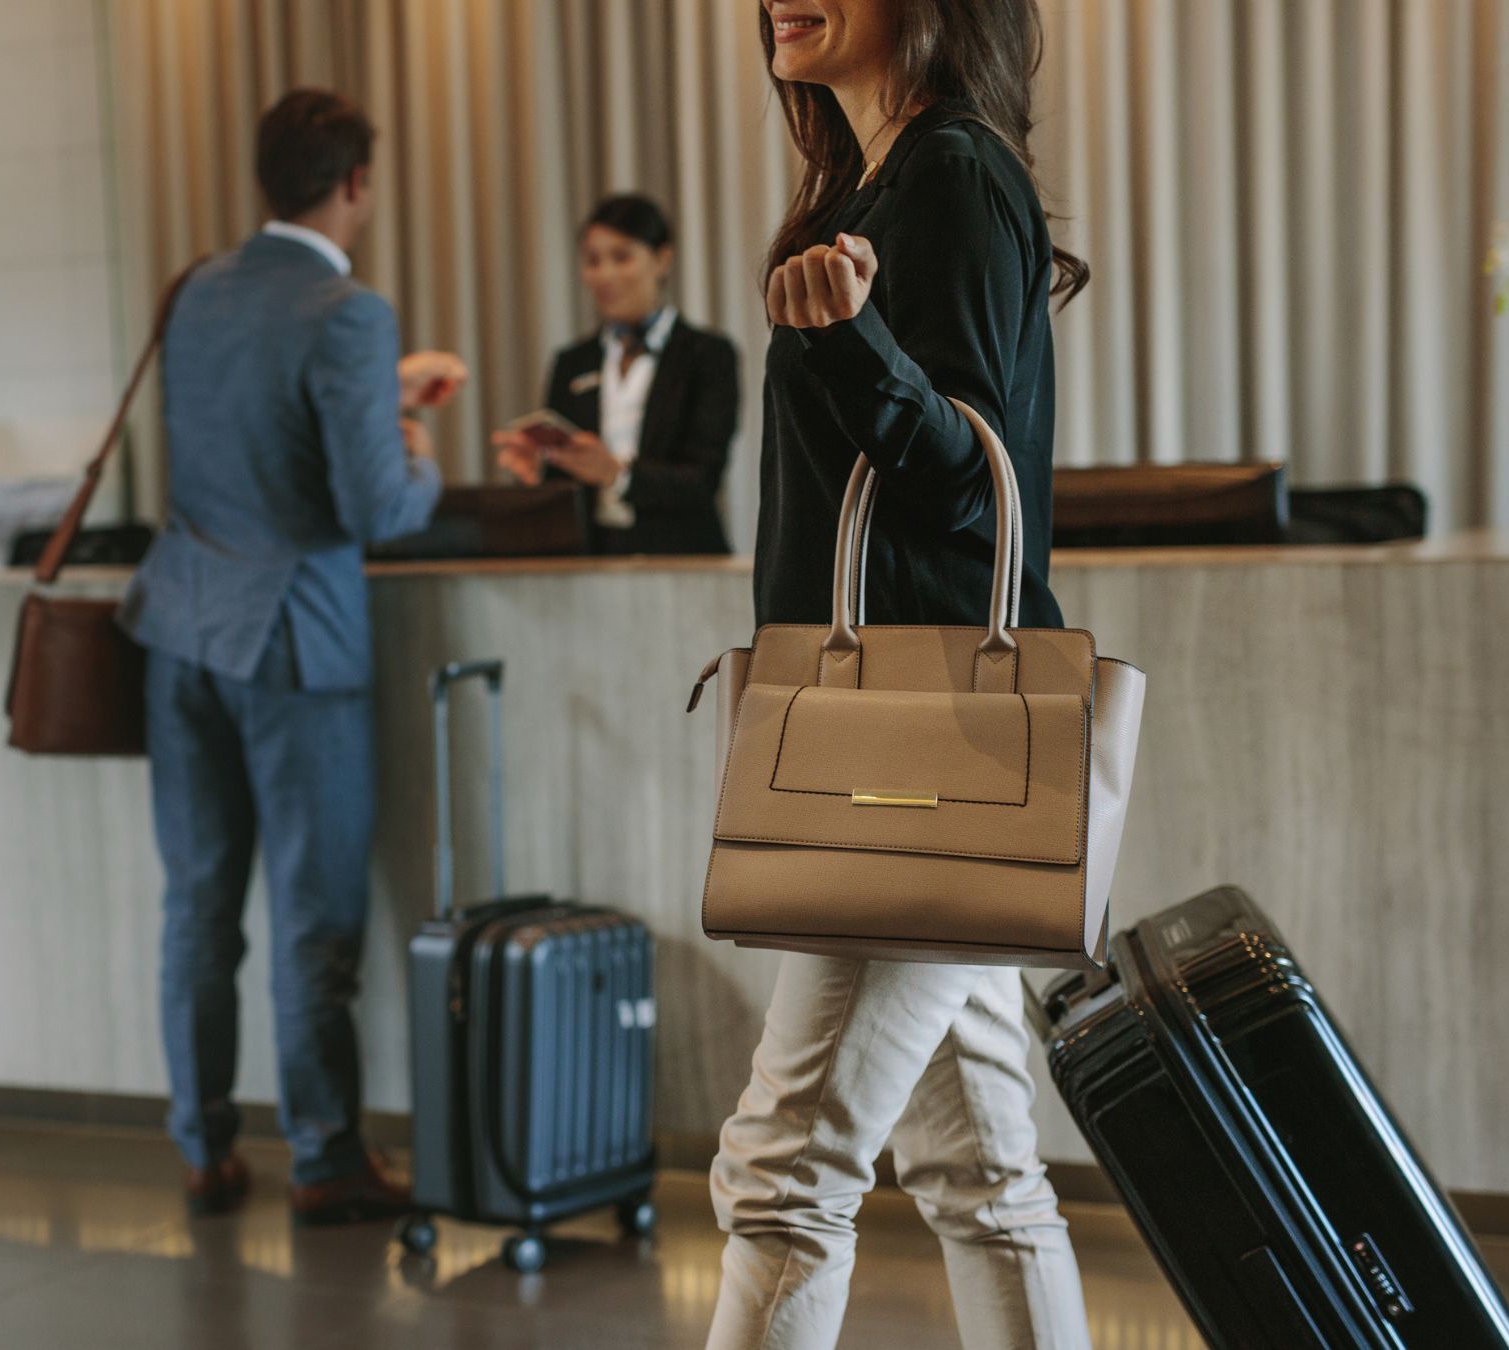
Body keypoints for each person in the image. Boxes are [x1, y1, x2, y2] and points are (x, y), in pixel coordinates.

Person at [707, 3, 1094, 1348]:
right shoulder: (878, 180)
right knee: (981, 1177)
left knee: (781, 1175)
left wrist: (848, 342)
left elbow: (973, 491)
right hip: (906, 756)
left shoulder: (955, 171)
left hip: (914, 770)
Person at [117, 88, 466, 1227]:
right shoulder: (346, 310)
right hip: (292, 647)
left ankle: (202, 1149)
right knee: (315, 918)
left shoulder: (197, 290)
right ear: (355, 183)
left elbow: (241, 438)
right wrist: (415, 447)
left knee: (198, 905)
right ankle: (323, 1157)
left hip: (178, 632)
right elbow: (373, 504)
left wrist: (376, 394)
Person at [492, 196, 741, 555]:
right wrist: (541, 471)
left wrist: (616, 474)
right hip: (592, 559)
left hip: (682, 556)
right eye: (593, 260)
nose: (604, 274)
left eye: (621, 257)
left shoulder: (707, 354)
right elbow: (566, 484)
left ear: (662, 259)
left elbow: (703, 478)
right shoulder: (572, 361)